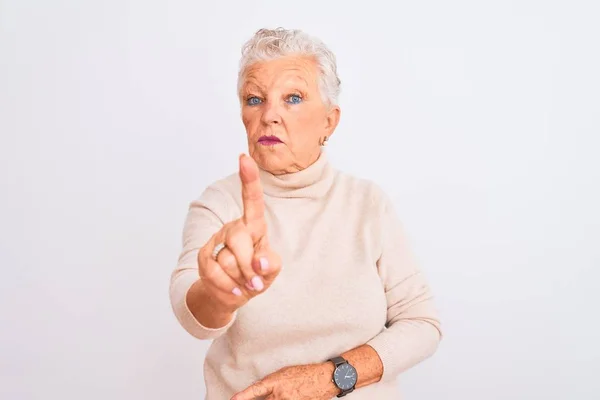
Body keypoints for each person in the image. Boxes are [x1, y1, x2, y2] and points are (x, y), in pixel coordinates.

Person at [169, 27, 442, 400]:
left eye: (293, 98)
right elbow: (193, 315)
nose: (269, 116)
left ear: (329, 121)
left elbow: (422, 324)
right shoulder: (220, 204)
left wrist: (330, 377)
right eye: (254, 99)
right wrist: (222, 294)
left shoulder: (367, 203)